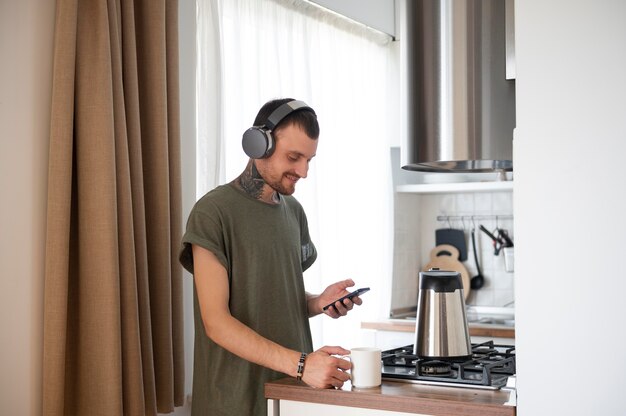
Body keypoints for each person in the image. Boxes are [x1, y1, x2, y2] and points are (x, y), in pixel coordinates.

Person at [179, 98, 364, 415]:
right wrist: (303, 364)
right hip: (233, 402)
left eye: (309, 159)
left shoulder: (293, 211)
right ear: (258, 144)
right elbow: (217, 322)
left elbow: (268, 295)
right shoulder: (213, 212)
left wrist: (318, 302)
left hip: (289, 397)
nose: (303, 171)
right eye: (294, 157)